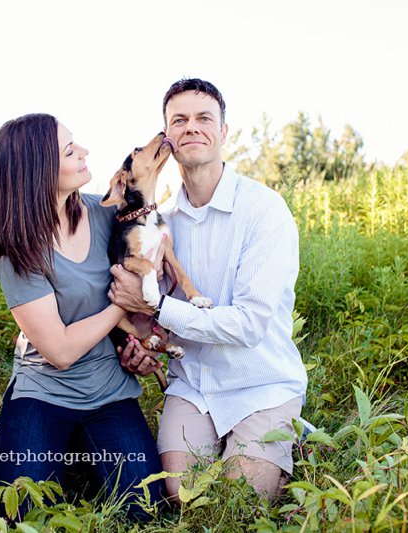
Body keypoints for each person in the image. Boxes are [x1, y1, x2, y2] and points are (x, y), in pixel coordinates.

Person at [108, 79, 308, 502]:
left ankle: (287, 437)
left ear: (224, 132)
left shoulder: (264, 210)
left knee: (239, 504)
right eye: (178, 120)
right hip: (194, 385)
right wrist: (145, 342)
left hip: (261, 384)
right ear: (168, 136)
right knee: (184, 497)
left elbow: (250, 324)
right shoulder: (161, 222)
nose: (191, 128)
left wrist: (158, 307)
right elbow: (154, 319)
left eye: (204, 118)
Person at [0, 113, 164, 520]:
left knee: (145, 510)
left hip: (108, 390)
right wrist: (122, 303)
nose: (84, 152)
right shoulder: (17, 246)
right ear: (39, 170)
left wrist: (135, 344)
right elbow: (60, 350)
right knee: (22, 515)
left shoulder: (106, 214)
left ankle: (80, 450)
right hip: (43, 392)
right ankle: (52, 443)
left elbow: (146, 286)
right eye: (70, 150)